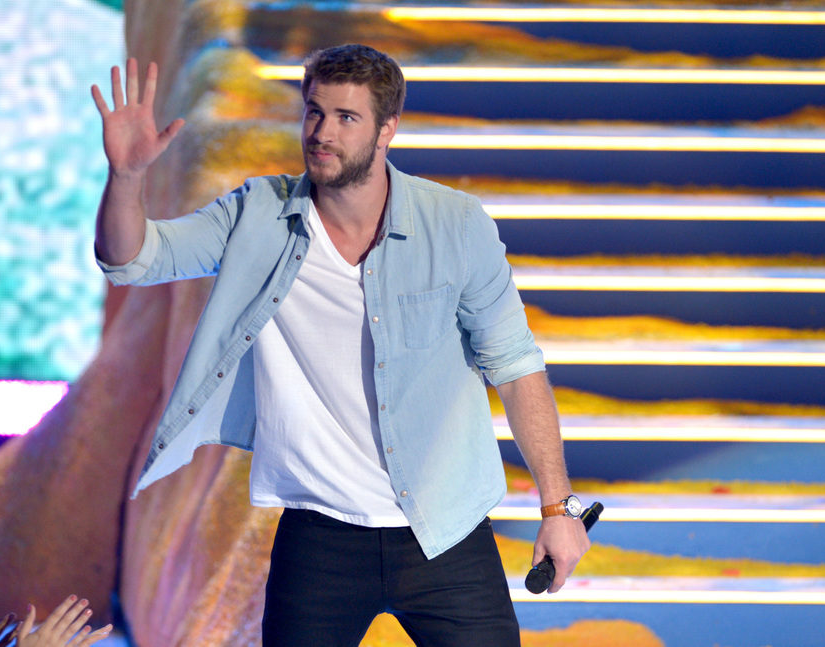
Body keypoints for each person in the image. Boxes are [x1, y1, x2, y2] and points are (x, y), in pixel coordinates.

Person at [91, 43, 589, 646]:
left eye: (346, 118)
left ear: (387, 131)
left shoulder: (455, 224)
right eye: (314, 113)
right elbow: (133, 260)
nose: (322, 133)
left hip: (445, 529)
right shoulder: (259, 215)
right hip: (319, 538)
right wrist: (127, 177)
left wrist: (557, 509)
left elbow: (515, 367)